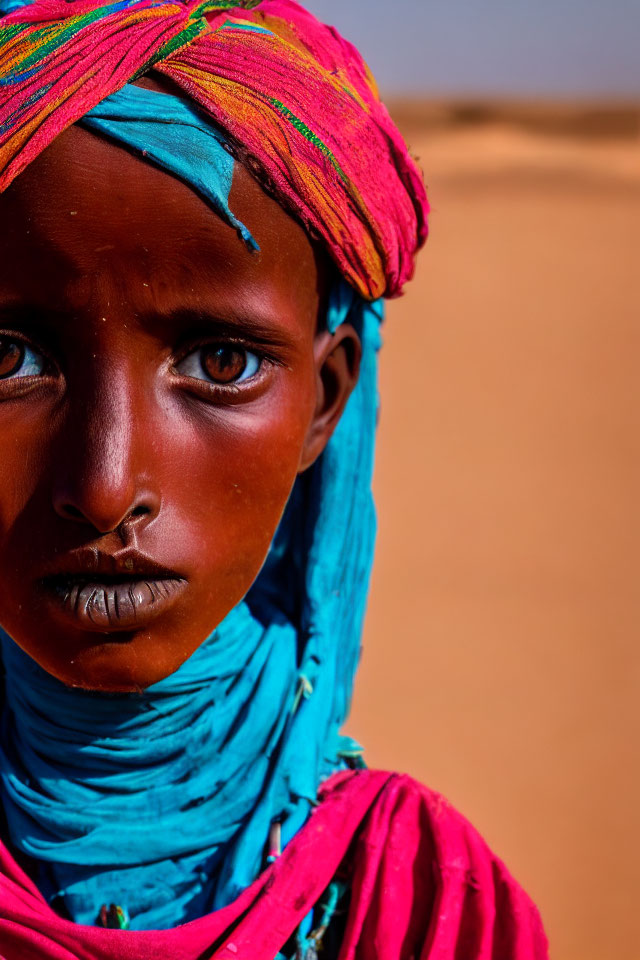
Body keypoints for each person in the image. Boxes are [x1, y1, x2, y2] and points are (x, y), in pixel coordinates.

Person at [0, 0, 548, 957]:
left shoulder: (419, 905)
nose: (103, 485)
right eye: (6, 359)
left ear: (325, 401)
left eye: (220, 365)